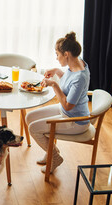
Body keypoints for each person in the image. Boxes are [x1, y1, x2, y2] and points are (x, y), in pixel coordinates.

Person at [25, 32, 90, 173]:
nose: (56, 57)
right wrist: (57, 71)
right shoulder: (78, 63)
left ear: (66, 54)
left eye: (57, 54)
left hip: (76, 120)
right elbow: (69, 82)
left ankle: (54, 157)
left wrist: (54, 85)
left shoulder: (80, 77)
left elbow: (68, 104)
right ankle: (51, 151)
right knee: (29, 117)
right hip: (66, 111)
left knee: (33, 128)